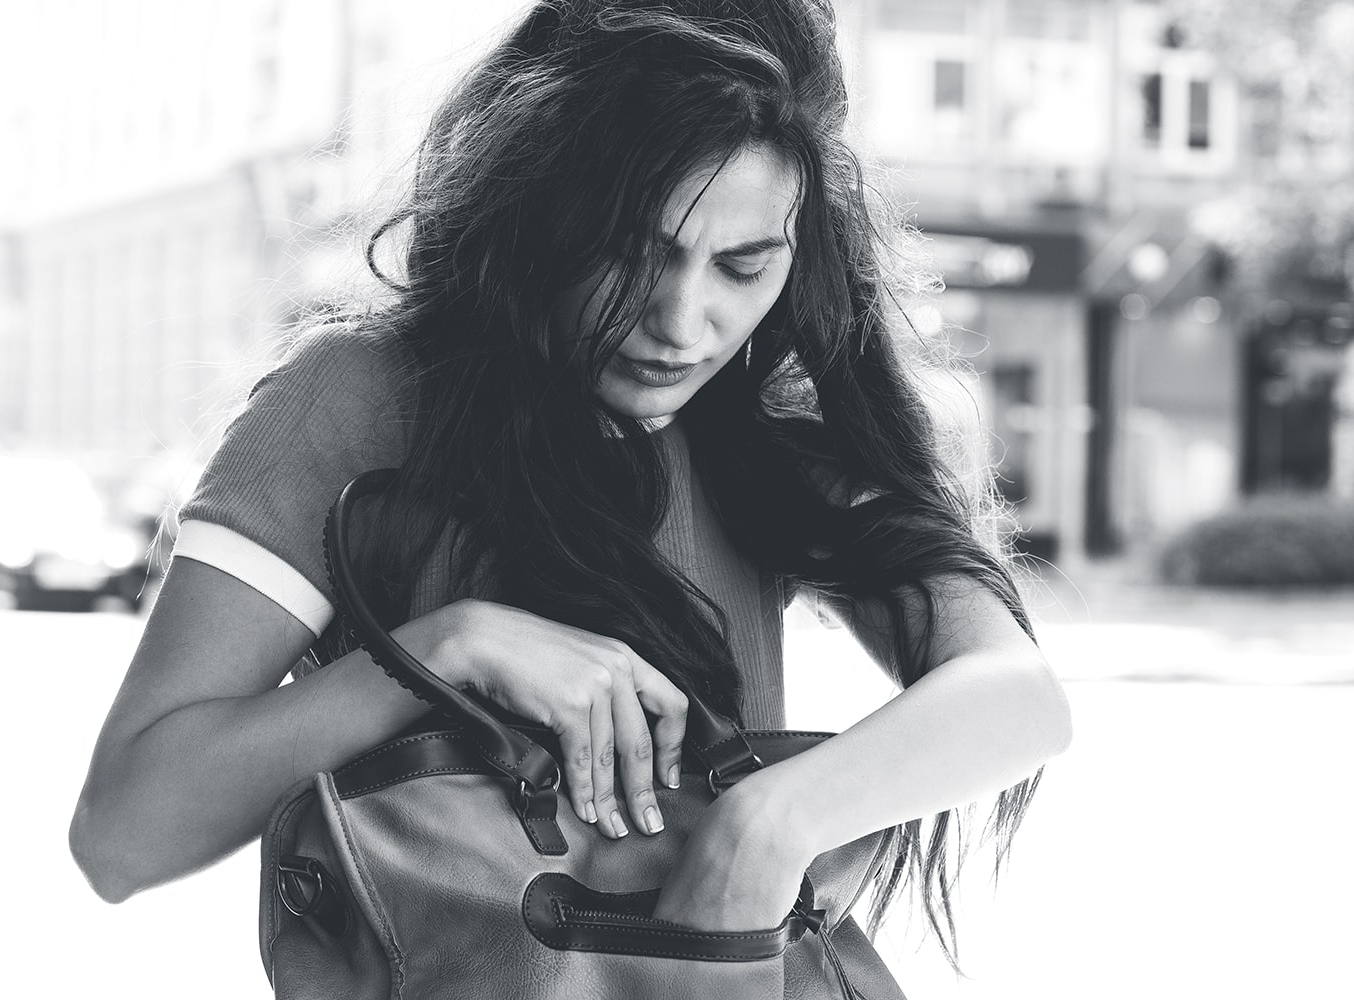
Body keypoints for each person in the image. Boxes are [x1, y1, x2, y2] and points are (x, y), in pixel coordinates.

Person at [69, 0, 1071, 976]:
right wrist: (447, 650)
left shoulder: (767, 425)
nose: (685, 321)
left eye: (741, 264)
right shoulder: (355, 400)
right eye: (638, 251)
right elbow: (125, 831)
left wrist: (769, 822)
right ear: (545, 206)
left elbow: (1016, 695)